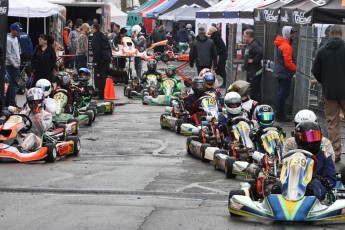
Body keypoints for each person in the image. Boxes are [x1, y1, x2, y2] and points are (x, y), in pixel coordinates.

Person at [312, 25, 345, 163]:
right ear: (341, 34)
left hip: (329, 91)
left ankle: (335, 152)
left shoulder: (322, 51)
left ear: (330, 34)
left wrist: (323, 81)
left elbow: (315, 70)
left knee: (332, 122)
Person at [293, 121, 336, 201]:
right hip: (294, 186)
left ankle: (307, 205)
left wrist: (317, 178)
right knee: (276, 186)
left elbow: (331, 182)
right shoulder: (293, 156)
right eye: (309, 137)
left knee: (313, 185)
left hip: (316, 190)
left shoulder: (325, 156)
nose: (313, 140)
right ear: (299, 138)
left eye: (316, 136)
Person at [18, 88, 53, 152]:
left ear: (41, 101)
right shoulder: (24, 113)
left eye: (37, 101)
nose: (35, 103)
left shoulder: (47, 115)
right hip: (22, 137)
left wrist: (37, 115)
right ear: (29, 101)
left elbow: (42, 130)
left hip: (38, 140)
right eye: (32, 101)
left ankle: (22, 149)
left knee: (32, 135)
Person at [273, 26, 296, 122]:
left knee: (281, 94)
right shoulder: (286, 46)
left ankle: (279, 112)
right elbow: (288, 63)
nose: (293, 35)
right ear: (287, 34)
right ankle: (280, 114)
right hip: (285, 73)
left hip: (280, 72)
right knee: (284, 94)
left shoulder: (280, 44)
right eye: (292, 33)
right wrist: (296, 69)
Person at [91, 24, 112, 100]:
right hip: (107, 57)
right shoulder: (104, 36)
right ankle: (101, 93)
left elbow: (96, 50)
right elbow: (109, 46)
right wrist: (110, 56)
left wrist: (94, 61)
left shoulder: (95, 37)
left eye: (92, 28)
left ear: (95, 29)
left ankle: (100, 95)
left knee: (99, 77)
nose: (91, 30)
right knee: (104, 76)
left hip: (101, 59)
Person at [243, 29, 263, 102]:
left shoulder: (254, 44)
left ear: (248, 36)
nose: (243, 38)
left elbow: (260, 52)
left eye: (244, 36)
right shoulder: (250, 45)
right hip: (250, 71)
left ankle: (255, 105)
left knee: (254, 90)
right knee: (251, 90)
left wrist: (253, 60)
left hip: (254, 72)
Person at [5, 23, 21, 107]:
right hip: (12, 64)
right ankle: (12, 103)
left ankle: (7, 102)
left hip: (15, 63)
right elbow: (8, 54)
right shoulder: (8, 39)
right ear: (12, 30)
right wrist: (14, 64)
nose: (18, 32)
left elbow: (16, 51)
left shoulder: (15, 38)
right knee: (14, 84)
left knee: (12, 83)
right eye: (16, 30)